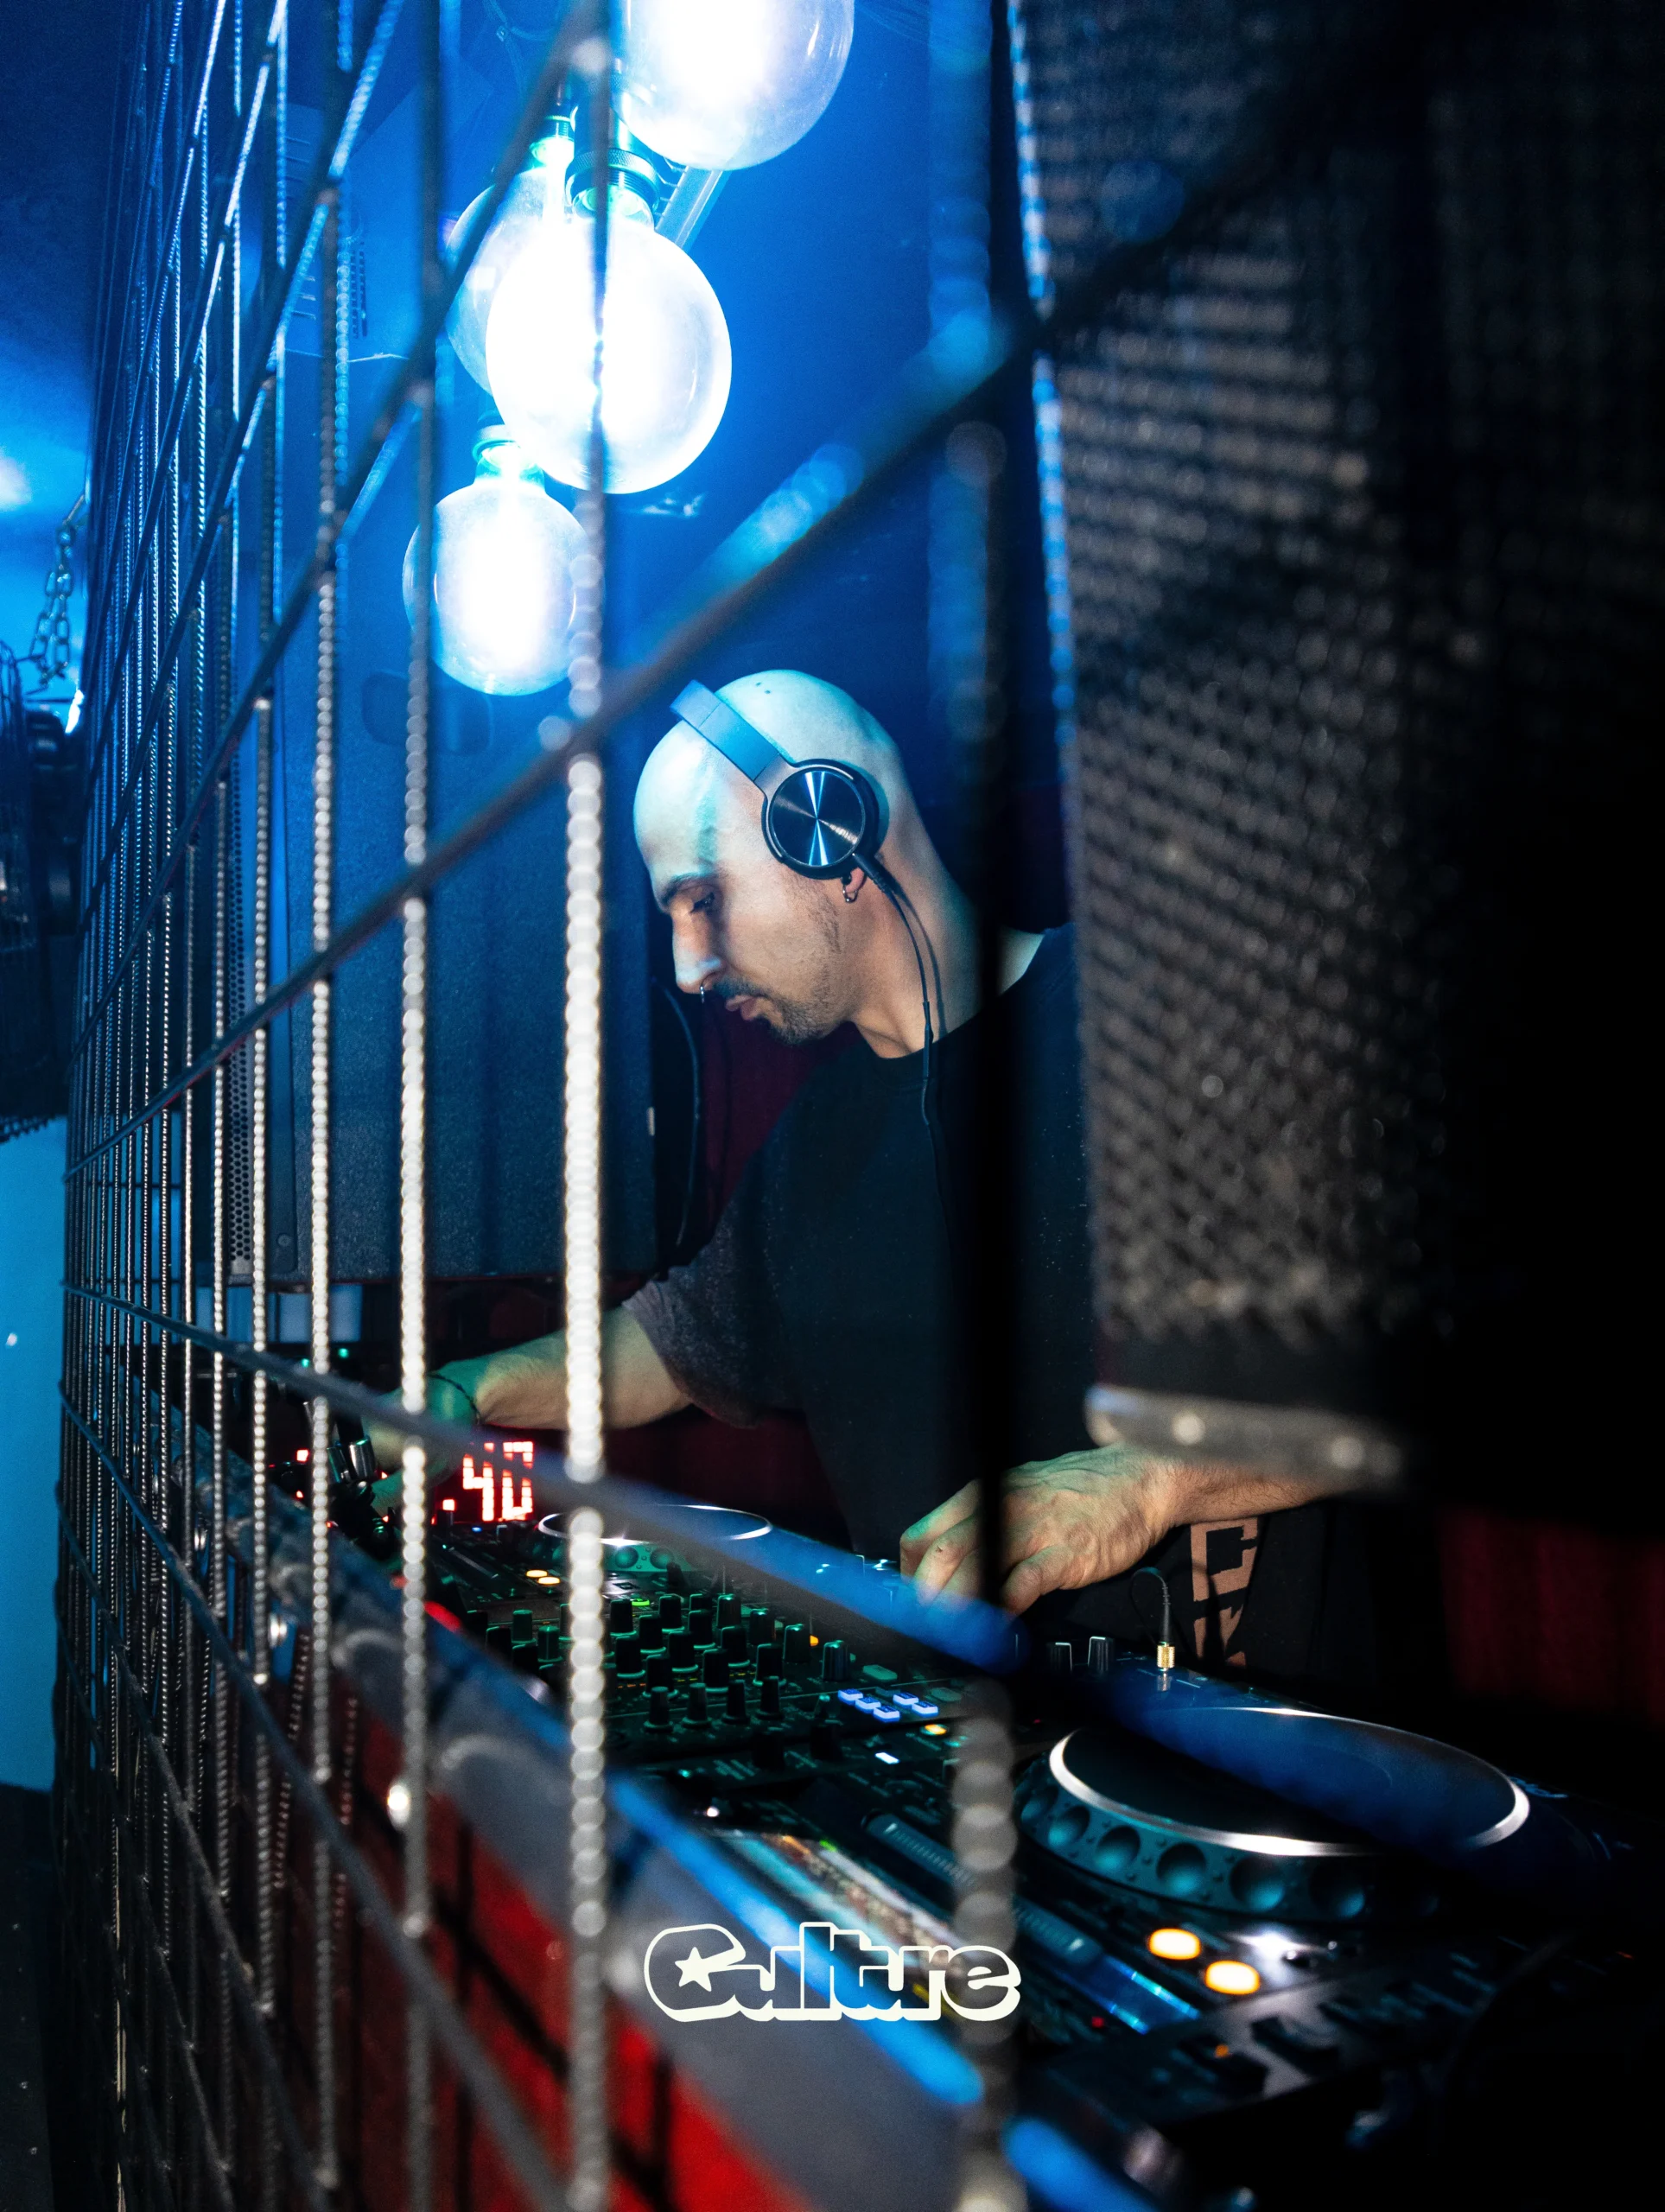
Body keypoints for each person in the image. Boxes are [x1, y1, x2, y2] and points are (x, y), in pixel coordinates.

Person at [377, 671, 1372, 1675]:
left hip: (1234, 1745)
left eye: (705, 900)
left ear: (831, 831)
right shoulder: (813, 1143)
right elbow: (678, 1343)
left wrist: (1146, 1483)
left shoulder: (1166, 1018)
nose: (687, 967)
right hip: (953, 1740)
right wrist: (470, 1387)